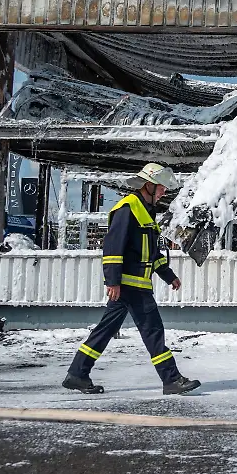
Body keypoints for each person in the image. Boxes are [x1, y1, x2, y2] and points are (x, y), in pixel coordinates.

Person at [62, 163, 200, 395]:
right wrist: (112, 281)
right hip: (130, 285)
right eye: (162, 188)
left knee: (105, 330)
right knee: (153, 330)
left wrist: (169, 276)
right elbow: (113, 246)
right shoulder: (128, 208)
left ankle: (77, 374)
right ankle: (171, 379)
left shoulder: (145, 211)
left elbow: (151, 252)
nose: (164, 192)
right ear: (149, 185)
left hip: (135, 284)